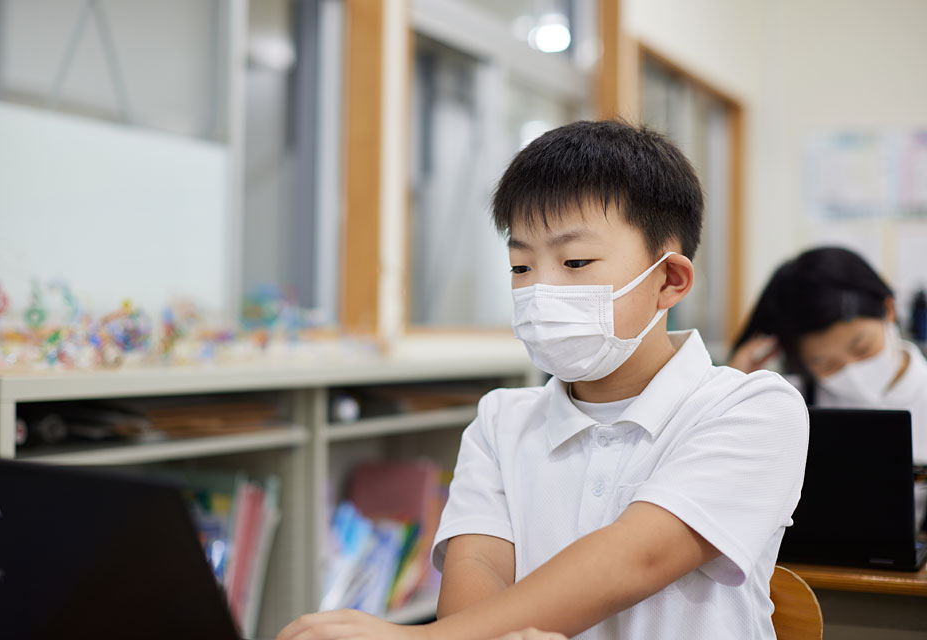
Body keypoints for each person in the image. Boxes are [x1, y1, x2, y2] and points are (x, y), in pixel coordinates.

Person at [277, 121, 808, 640]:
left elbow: (639, 557)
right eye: (521, 267)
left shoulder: (754, 408)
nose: (539, 290)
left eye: (575, 261)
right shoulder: (501, 420)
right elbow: (478, 565)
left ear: (669, 280)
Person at [731, 247, 927, 465]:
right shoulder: (788, 404)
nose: (852, 371)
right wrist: (735, 383)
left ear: (888, 309)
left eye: (862, 348)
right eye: (826, 364)